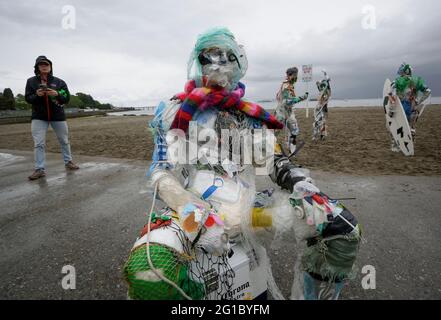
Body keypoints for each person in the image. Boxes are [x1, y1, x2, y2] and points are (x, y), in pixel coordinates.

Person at [123, 27, 360, 301]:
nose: (218, 64)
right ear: (195, 61)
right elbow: (161, 168)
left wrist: (298, 181)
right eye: (209, 56)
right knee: (149, 273)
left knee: (340, 226)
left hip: (248, 213)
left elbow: (271, 159)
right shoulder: (174, 111)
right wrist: (188, 208)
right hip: (190, 211)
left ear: (239, 63)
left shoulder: (248, 115)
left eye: (227, 57)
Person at [25, 55, 79, 180]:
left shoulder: (59, 82)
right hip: (39, 116)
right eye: (41, 64)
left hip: (58, 116)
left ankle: (68, 162)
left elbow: (66, 98)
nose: (44, 66)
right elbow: (28, 98)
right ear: (37, 67)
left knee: (64, 140)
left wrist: (57, 93)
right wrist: (37, 95)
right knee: (39, 143)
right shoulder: (31, 81)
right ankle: (39, 169)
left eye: (46, 64)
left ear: (50, 67)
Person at [389, 62, 431, 151]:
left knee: (396, 127)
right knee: (411, 129)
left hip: (400, 109)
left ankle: (396, 147)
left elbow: (392, 91)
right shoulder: (418, 80)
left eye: (401, 73)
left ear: (403, 72)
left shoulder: (397, 80)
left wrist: (391, 108)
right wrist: (418, 102)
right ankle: (410, 147)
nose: (401, 74)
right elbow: (428, 91)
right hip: (413, 108)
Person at [275, 67, 309, 153]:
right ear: (291, 75)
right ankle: (268, 148)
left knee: (294, 130)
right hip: (282, 112)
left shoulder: (290, 85)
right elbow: (288, 101)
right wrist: (302, 98)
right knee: (276, 132)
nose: (296, 77)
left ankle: (291, 149)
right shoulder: (286, 86)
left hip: (288, 112)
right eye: (295, 75)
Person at [312, 71, 331, 141]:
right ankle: (315, 136)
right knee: (317, 122)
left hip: (323, 109)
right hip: (319, 108)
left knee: (322, 123)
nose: (322, 86)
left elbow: (328, 83)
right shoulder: (321, 91)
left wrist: (325, 74)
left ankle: (322, 135)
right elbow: (318, 85)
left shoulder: (327, 93)